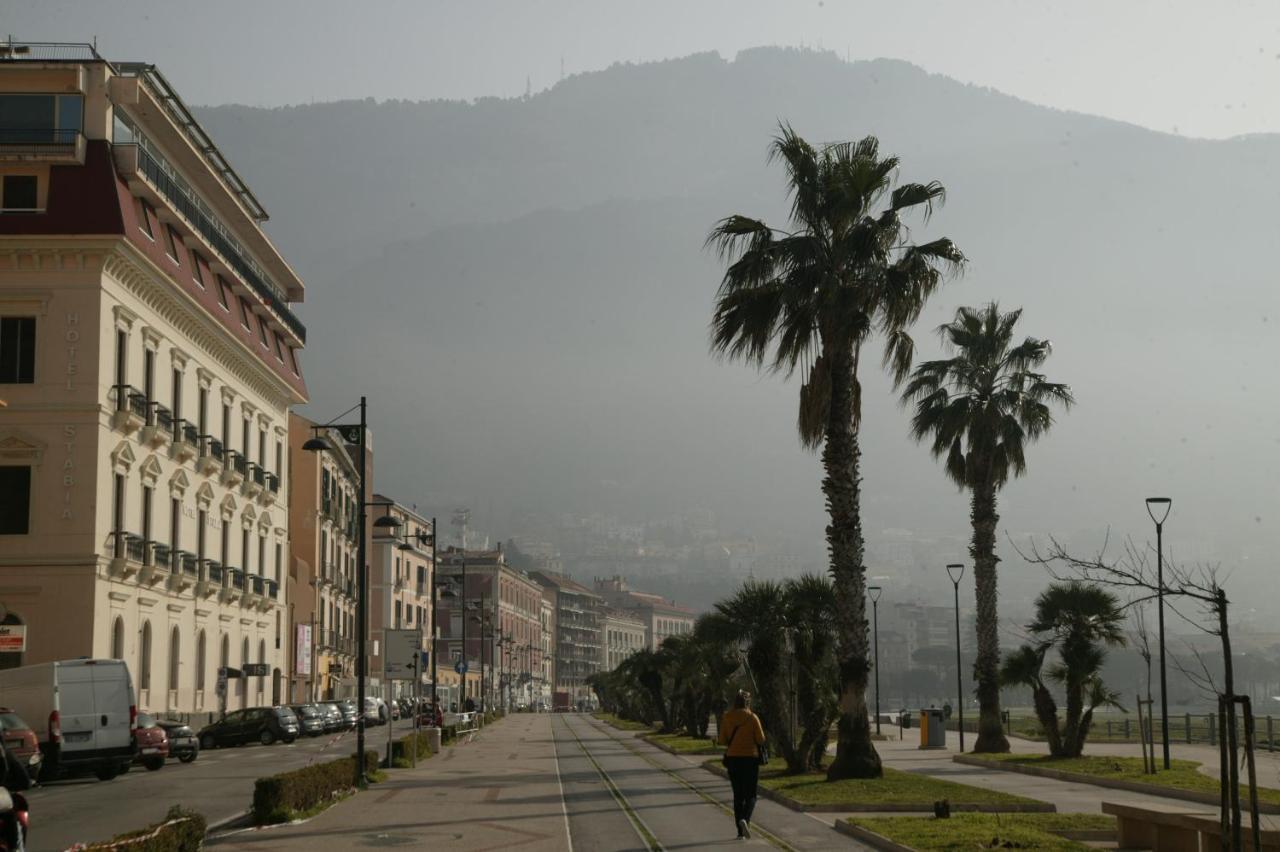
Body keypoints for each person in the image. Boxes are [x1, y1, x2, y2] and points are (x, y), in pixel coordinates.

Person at [719, 690, 765, 840]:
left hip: (733, 759)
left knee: (738, 795)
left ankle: (740, 832)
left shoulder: (727, 717)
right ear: (747, 703)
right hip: (750, 759)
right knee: (751, 794)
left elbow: (722, 740)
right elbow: (761, 739)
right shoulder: (752, 717)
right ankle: (745, 818)